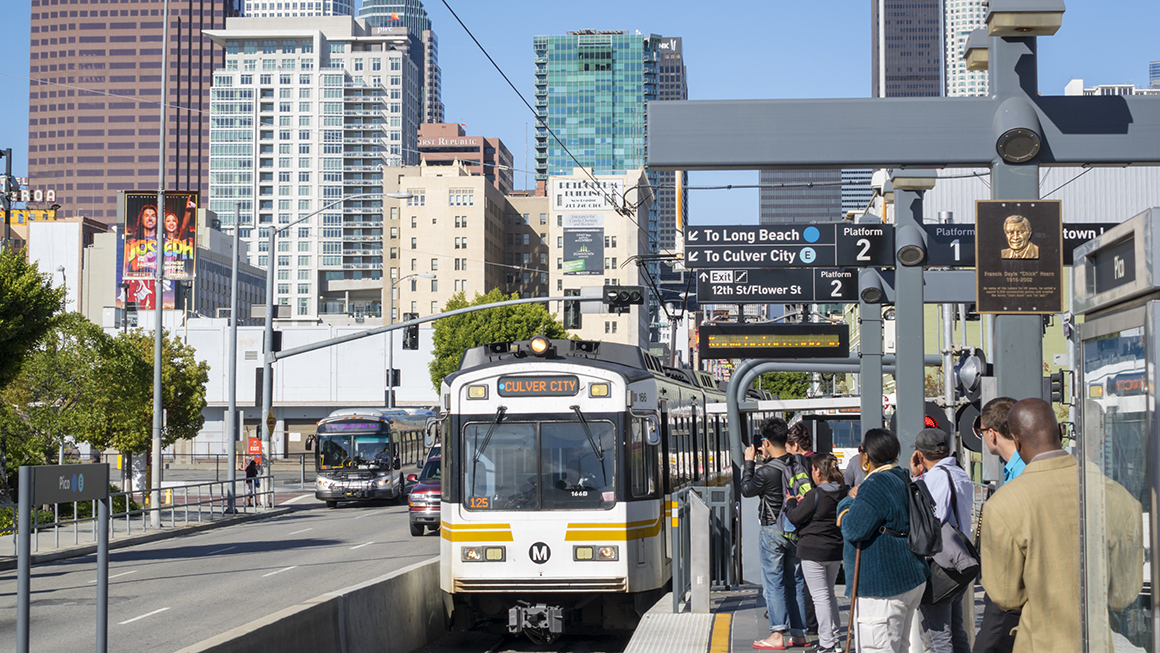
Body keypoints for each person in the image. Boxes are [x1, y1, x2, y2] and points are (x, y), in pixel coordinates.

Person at [980, 398, 1142, 652]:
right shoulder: (1117, 496)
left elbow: (1005, 594)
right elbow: (1124, 592)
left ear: (1016, 440)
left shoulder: (1003, 505)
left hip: (1039, 641)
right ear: (1060, 432)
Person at [837, 428, 928, 653]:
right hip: (910, 576)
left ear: (866, 456)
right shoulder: (901, 476)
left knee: (878, 646)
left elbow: (853, 529)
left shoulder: (876, 483)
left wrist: (847, 503)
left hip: (883, 585)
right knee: (906, 647)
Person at [742, 417, 810, 650]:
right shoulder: (798, 461)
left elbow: (746, 490)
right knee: (796, 581)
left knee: (774, 581)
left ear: (767, 442)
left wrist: (749, 462)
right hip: (796, 528)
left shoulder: (767, 471)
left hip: (773, 529)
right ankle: (799, 634)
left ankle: (777, 633)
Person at [908, 429, 973, 653]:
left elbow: (930, 519)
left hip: (940, 564)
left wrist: (916, 479)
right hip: (960, 558)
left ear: (920, 455)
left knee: (937, 637)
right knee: (956, 630)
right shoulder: (959, 473)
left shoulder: (936, 477)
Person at [972, 397, 1021, 653]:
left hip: (1011, 590)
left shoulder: (1023, 472)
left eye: (980, 431)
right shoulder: (1014, 469)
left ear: (992, 434)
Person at [785, 453, 848, 653]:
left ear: (818, 472)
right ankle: (835, 640)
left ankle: (827, 643)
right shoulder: (842, 492)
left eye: (812, 470)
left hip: (813, 550)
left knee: (819, 597)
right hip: (835, 550)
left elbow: (795, 517)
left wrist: (792, 502)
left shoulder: (815, 494)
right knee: (829, 595)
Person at [125, 203, 160, 276]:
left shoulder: (163, 242)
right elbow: (125, 268)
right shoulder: (131, 243)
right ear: (141, 219)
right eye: (146, 215)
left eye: (153, 216)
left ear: (157, 219)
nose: (150, 218)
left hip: (158, 283)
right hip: (137, 283)